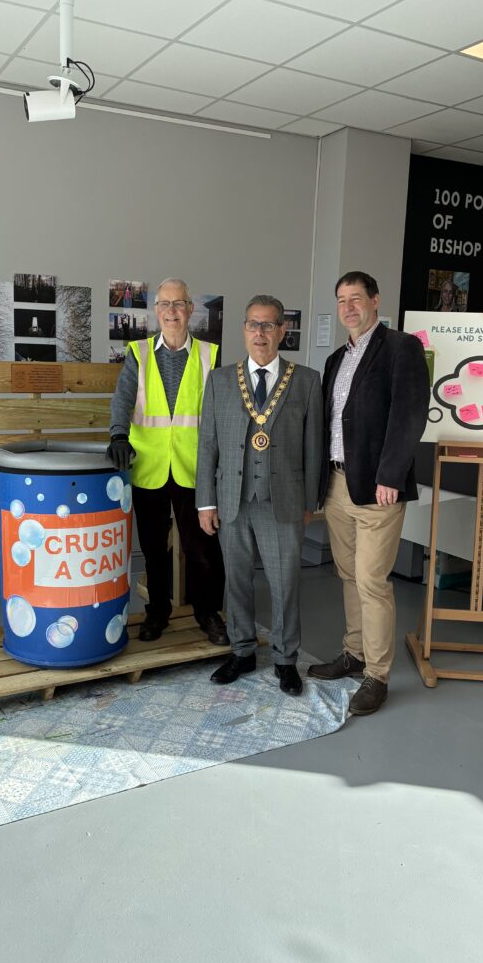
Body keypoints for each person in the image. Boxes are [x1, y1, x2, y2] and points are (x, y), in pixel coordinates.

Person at [308, 272, 429, 715]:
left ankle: (377, 675)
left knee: (372, 580)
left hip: (379, 487)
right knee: (348, 574)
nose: (348, 307)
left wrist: (391, 475)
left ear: (375, 301)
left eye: (356, 298)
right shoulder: (336, 359)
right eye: (341, 300)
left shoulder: (401, 348)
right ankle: (354, 653)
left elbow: (410, 414)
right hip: (339, 483)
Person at [196, 295, 323, 696]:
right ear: (244, 330)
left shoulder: (305, 380)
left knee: (285, 583)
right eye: (253, 324)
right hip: (232, 499)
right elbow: (207, 445)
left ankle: (286, 660)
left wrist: (310, 502)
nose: (260, 333)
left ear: (283, 330)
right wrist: (206, 501)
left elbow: (314, 445)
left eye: (269, 325)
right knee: (236, 580)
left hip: (283, 501)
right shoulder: (219, 380)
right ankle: (243, 651)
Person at [107, 278, 228, 644]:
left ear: (191, 309)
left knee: (203, 549)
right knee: (155, 550)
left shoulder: (211, 355)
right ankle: (157, 612)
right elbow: (123, 398)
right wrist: (117, 434)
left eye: (179, 304)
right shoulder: (139, 353)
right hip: (150, 468)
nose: (172, 311)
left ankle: (209, 614)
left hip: (197, 470)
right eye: (165, 304)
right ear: (156, 311)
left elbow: (223, 410)